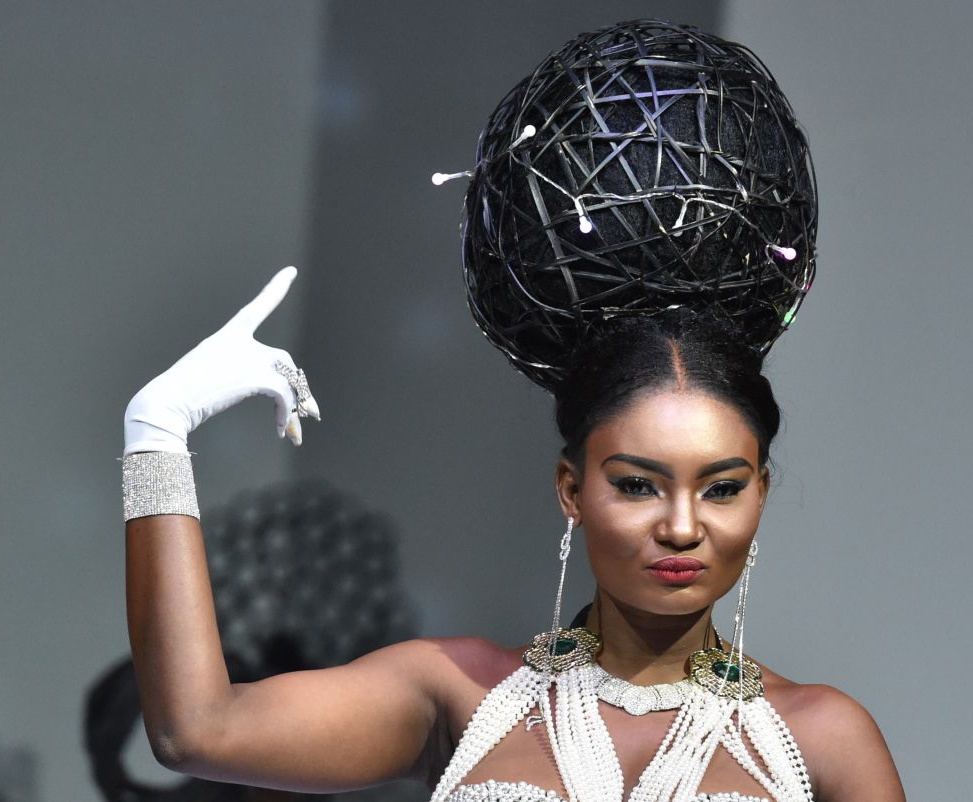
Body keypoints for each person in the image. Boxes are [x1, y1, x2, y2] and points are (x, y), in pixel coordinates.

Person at [123, 20, 906, 802]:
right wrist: (157, 428)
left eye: (722, 487)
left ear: (761, 492)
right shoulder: (458, 697)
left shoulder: (822, 739)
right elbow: (198, 730)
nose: (681, 525)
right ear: (571, 487)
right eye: (637, 484)